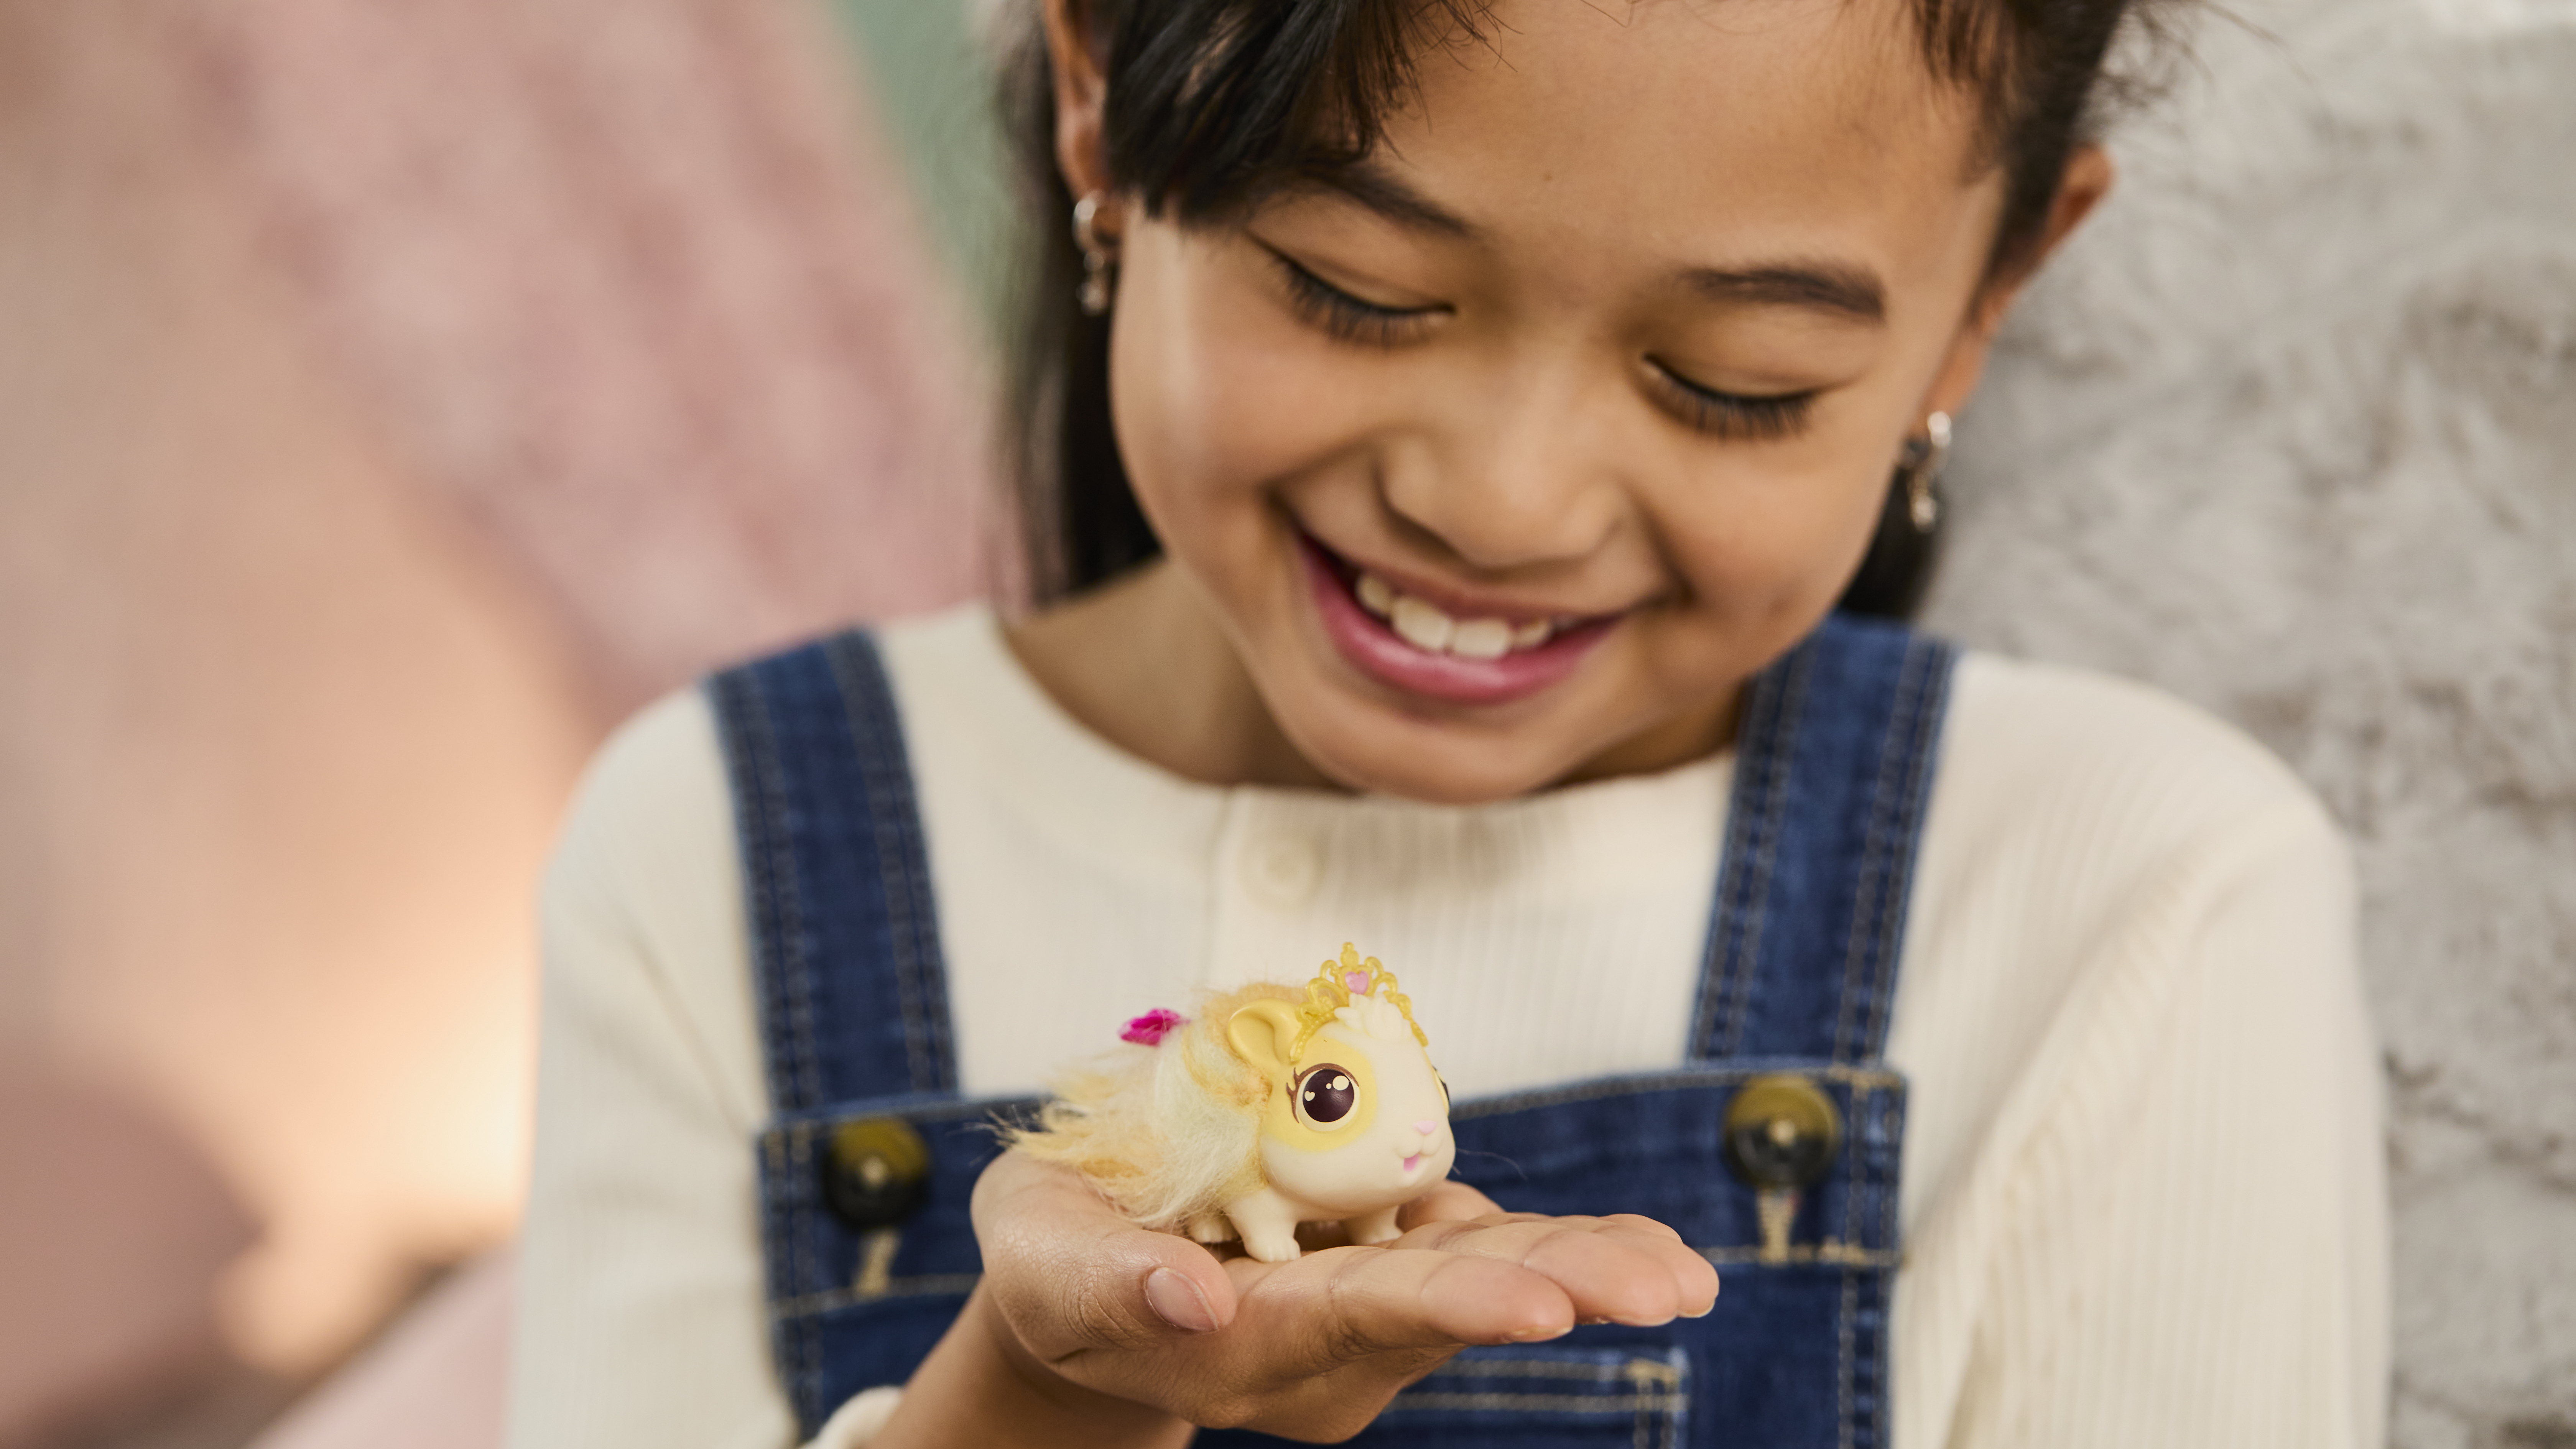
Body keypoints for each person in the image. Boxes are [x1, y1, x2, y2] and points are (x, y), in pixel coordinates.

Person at [507, 0, 2390, 1445]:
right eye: (1359, 289)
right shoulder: (727, 847)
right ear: (1098, 89)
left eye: (1734, 381)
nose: (1506, 502)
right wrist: (1039, 1393)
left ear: (1992, 293)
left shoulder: (2125, 892)